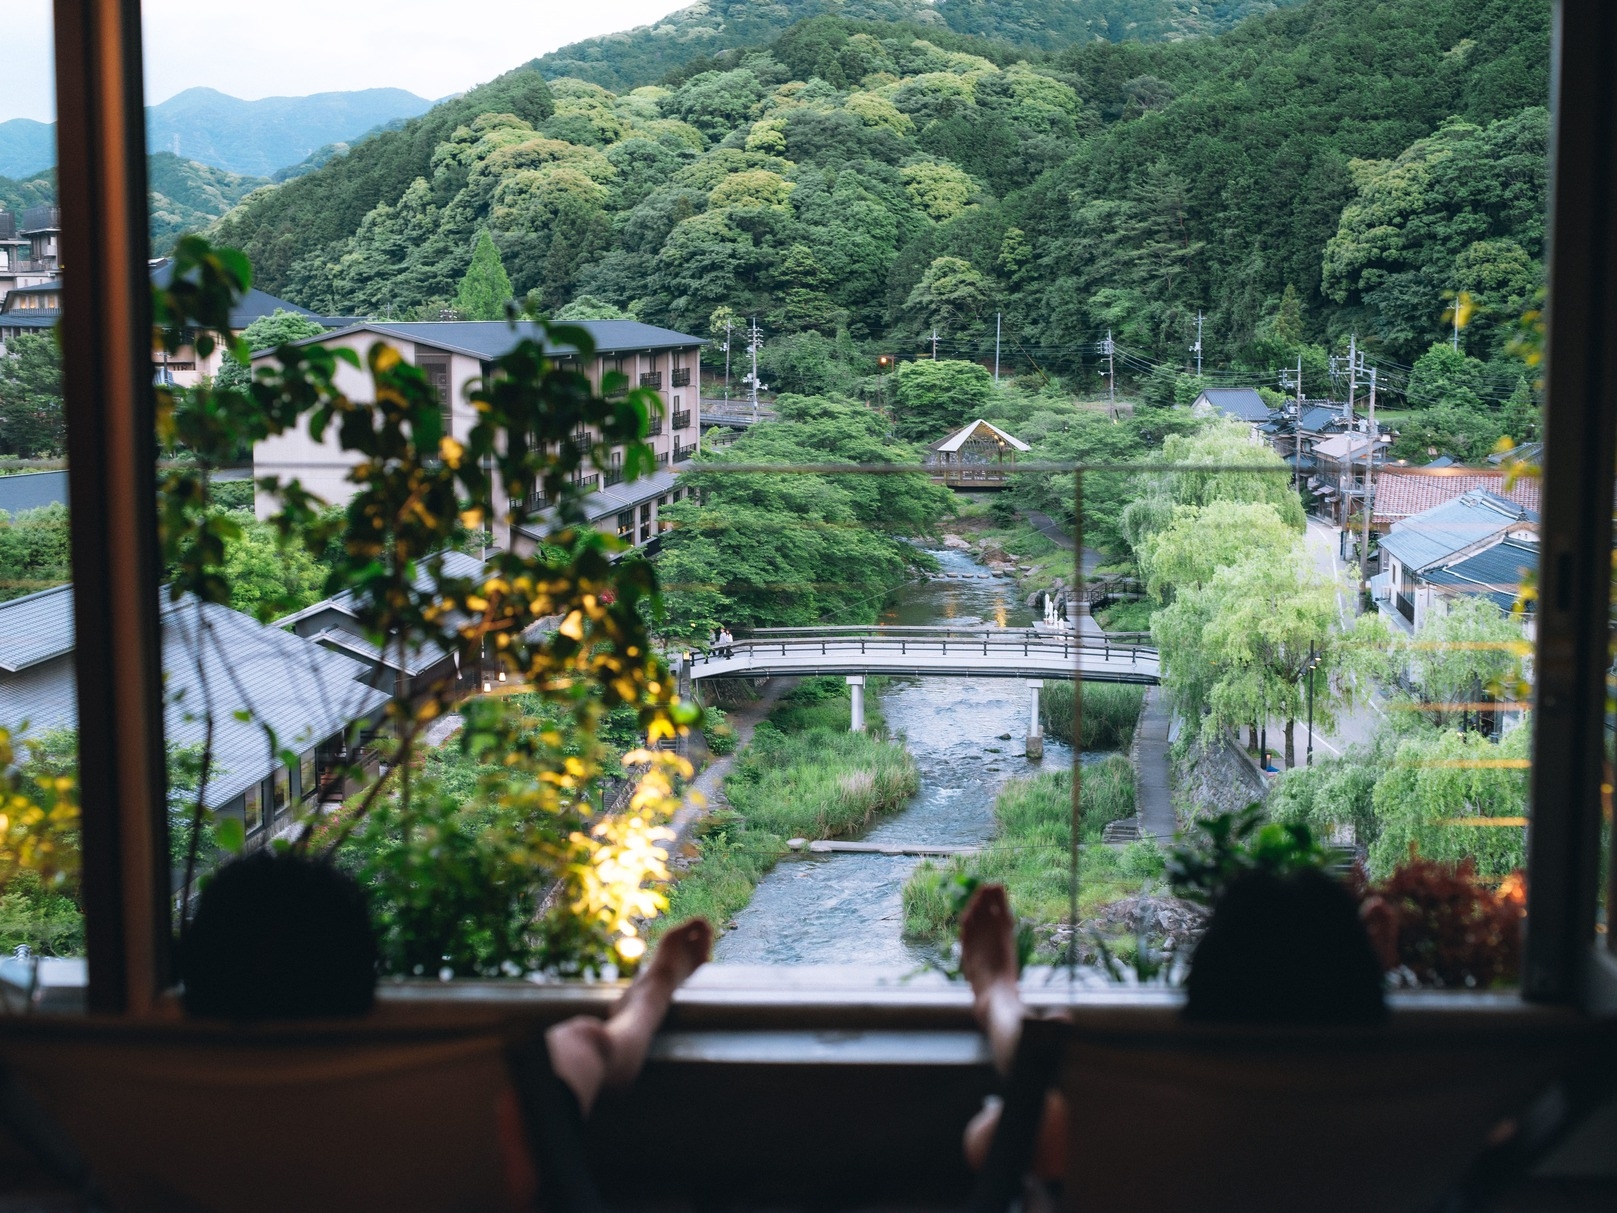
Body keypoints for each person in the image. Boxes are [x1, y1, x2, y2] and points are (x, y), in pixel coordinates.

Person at [956, 870, 1387, 1180]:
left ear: (1200, 994)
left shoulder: (1171, 1129)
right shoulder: (1409, 1121)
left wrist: (997, 991)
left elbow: (986, 1141)